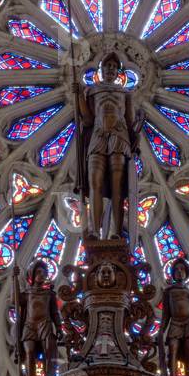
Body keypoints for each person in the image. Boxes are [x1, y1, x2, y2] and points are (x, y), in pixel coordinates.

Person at [77, 51, 140, 238]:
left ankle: (116, 232)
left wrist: (135, 134)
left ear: (118, 72)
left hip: (119, 136)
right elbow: (87, 119)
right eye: (107, 66)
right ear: (101, 70)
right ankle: (95, 230)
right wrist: (79, 96)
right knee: (94, 180)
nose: (111, 69)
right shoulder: (92, 91)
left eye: (114, 67)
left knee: (117, 185)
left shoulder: (125, 93)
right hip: (98, 134)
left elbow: (129, 121)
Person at [17, 259, 60, 376]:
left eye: (44, 272)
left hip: (45, 324)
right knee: (29, 352)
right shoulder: (27, 293)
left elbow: (54, 313)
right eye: (39, 272)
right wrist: (14, 280)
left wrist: (58, 327)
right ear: (32, 274)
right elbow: (15, 301)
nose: (42, 275)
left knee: (48, 352)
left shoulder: (49, 294)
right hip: (29, 326)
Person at [161, 258, 189, 376]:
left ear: (187, 273)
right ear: (173, 273)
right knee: (173, 349)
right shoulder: (169, 291)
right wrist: (161, 330)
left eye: (182, 269)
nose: (179, 272)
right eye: (176, 269)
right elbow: (166, 314)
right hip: (175, 323)